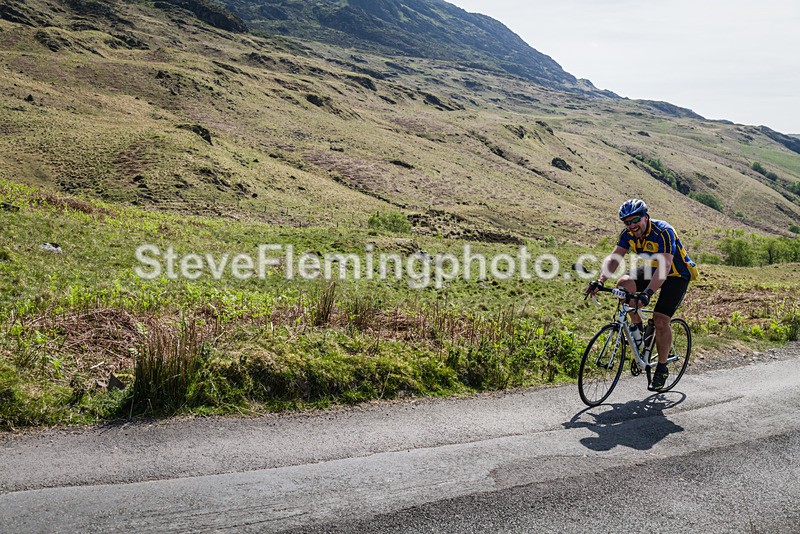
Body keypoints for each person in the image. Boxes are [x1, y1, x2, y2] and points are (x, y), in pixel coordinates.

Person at [586, 199, 698, 390]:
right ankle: (637, 328)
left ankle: (662, 368)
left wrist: (647, 294)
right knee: (624, 284)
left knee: (661, 320)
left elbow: (665, 267)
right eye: (627, 222)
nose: (631, 225)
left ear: (646, 217)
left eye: (635, 220)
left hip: (676, 274)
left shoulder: (663, 232)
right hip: (653, 269)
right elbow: (614, 259)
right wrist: (601, 280)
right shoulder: (628, 234)